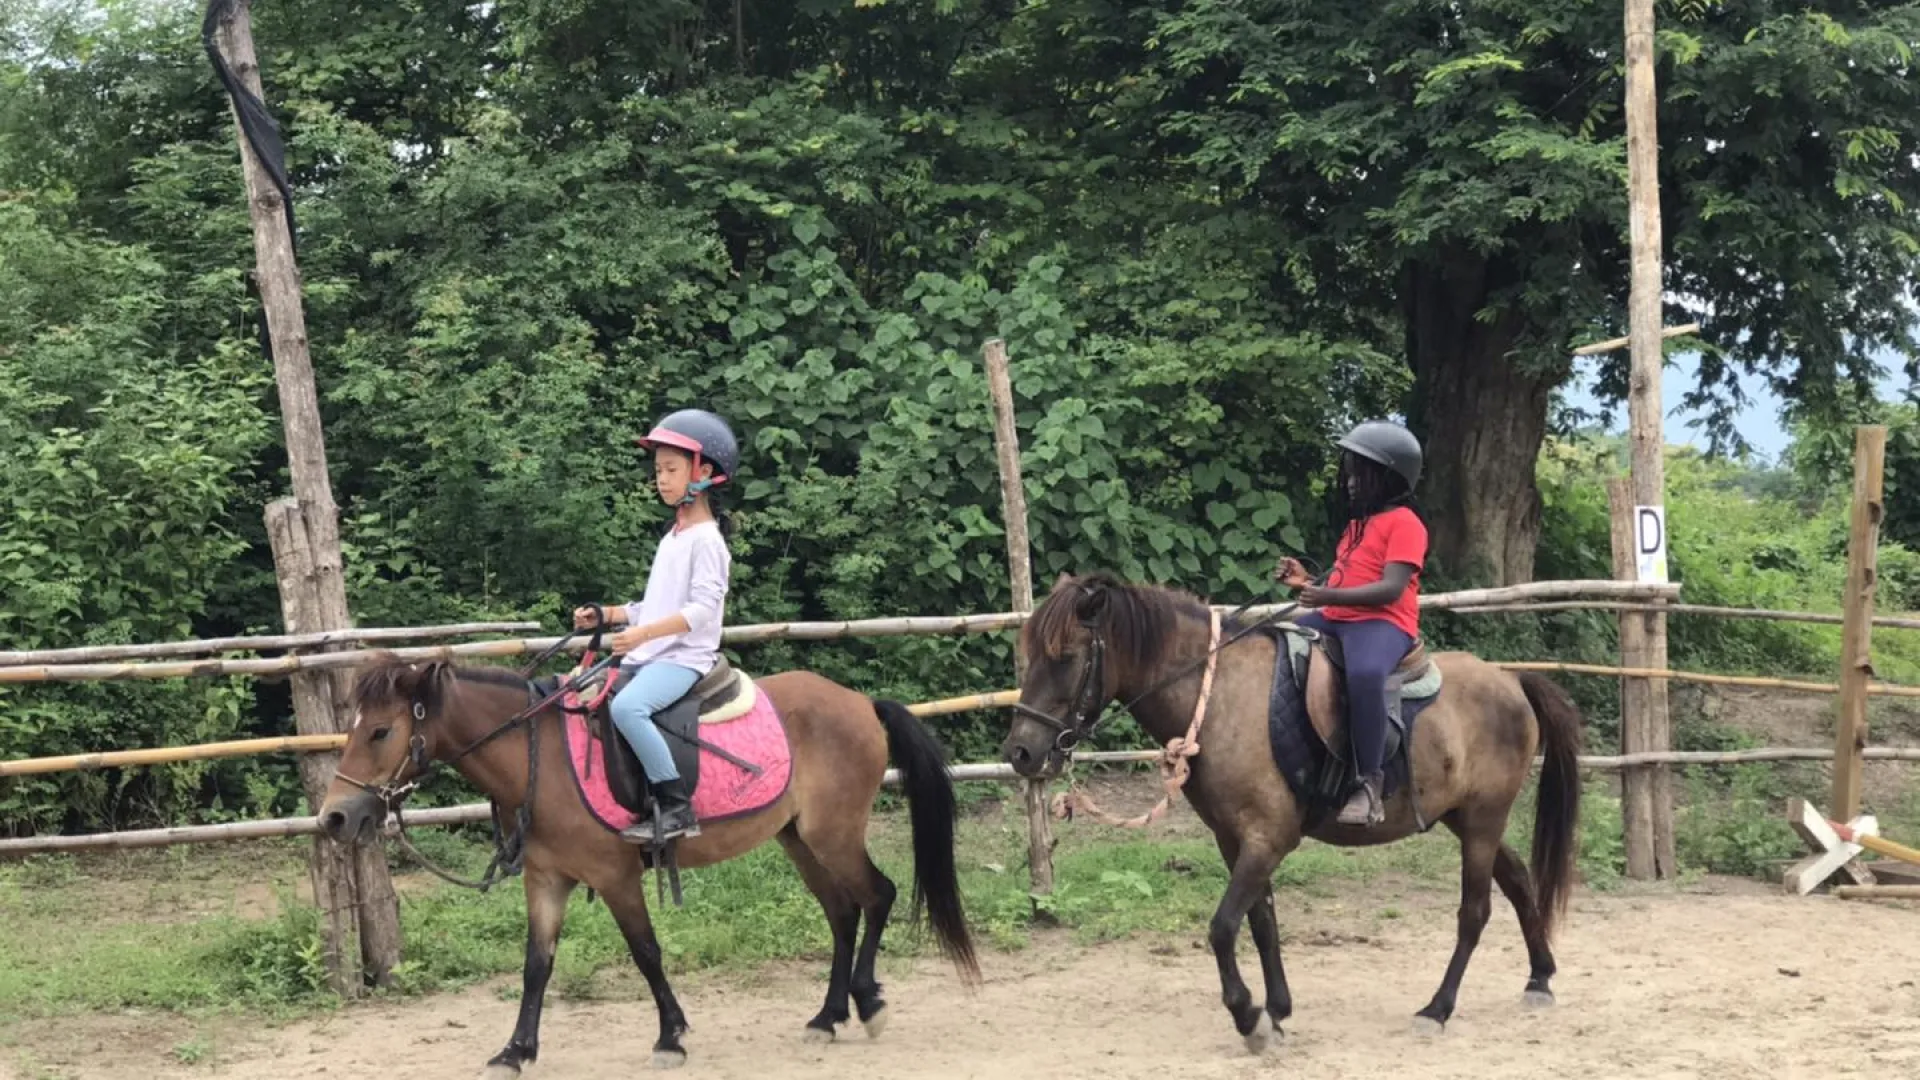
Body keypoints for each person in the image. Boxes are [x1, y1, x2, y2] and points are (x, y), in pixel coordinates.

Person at [574, 408, 738, 846]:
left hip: (684, 658)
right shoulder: (675, 536)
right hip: (655, 652)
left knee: (628, 708)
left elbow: (702, 611)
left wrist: (642, 635)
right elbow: (657, 604)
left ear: (702, 472)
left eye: (671, 469)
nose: (661, 479)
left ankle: (676, 805)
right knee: (580, 688)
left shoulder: (707, 540)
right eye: (658, 470)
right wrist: (609, 614)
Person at [1274, 419, 1428, 827]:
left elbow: (1391, 588)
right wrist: (1305, 583)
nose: (1351, 480)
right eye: (1350, 471)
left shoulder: (1406, 523)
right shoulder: (1358, 526)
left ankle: (1368, 783)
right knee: (1275, 641)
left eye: (1361, 471)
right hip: (1338, 617)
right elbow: (1346, 580)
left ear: (1388, 476)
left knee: (1364, 674)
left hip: (1383, 623)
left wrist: (1326, 597)